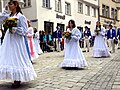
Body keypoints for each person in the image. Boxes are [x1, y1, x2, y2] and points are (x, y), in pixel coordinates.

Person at [0, 1, 37, 88]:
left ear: (15, 5)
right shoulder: (9, 16)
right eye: (8, 4)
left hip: (17, 40)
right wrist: (5, 11)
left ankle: (17, 79)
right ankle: (13, 76)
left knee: (17, 56)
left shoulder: (21, 17)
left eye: (10, 4)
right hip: (9, 39)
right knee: (9, 56)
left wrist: (14, 28)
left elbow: (24, 31)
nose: (9, 6)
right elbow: (1, 19)